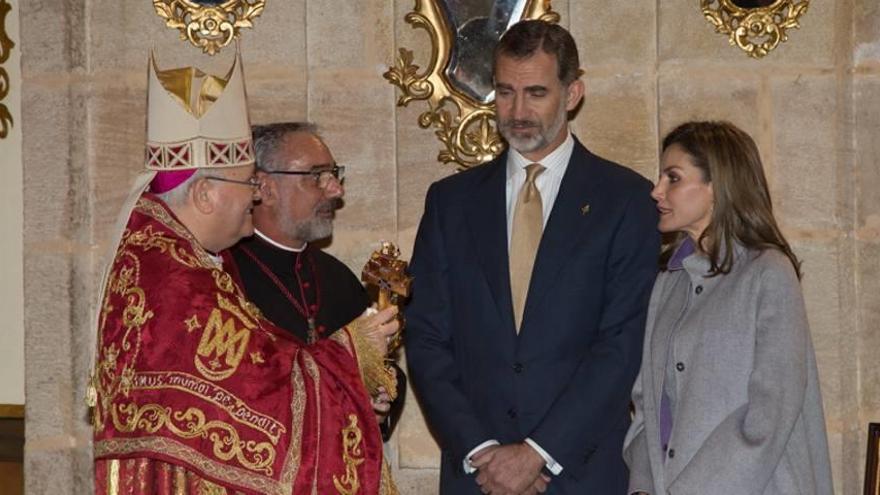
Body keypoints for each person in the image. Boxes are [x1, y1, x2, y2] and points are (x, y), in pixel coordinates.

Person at [87, 52, 399, 494]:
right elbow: (256, 390)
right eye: (248, 182)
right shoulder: (172, 279)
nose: (255, 197)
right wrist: (353, 351)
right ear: (205, 194)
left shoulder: (171, 257)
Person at [405, 19, 660, 494]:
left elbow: (622, 344)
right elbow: (425, 336)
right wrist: (480, 450)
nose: (517, 111)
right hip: (476, 477)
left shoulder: (625, 201)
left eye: (536, 93)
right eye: (505, 92)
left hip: (580, 473)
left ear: (573, 93)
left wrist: (538, 452)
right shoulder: (451, 202)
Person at [623, 121, 833, 494]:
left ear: (717, 187)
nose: (656, 191)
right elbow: (647, 405)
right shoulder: (669, 281)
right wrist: (642, 485)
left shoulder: (768, 273)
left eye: (673, 178)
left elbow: (770, 412)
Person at [224, 122, 406, 441]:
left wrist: (381, 402)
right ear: (264, 188)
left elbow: (381, 367)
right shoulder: (224, 277)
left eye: (334, 174)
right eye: (317, 176)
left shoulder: (336, 277)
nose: (336, 190)